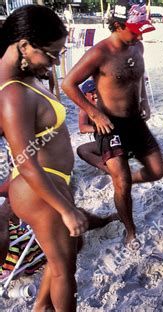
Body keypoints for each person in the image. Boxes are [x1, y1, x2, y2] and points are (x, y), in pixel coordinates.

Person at [0, 5, 88, 310]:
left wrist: (45, 75)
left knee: (66, 252)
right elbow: (24, 161)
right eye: (51, 55)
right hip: (38, 187)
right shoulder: (12, 93)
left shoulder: (25, 75)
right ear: (24, 45)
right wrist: (65, 209)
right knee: (66, 270)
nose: (55, 62)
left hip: (51, 181)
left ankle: (41, 307)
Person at [62, 0, 163, 246]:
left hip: (135, 121)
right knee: (123, 183)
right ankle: (130, 230)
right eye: (134, 29)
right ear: (118, 25)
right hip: (109, 124)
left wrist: (144, 101)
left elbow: (139, 74)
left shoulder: (137, 47)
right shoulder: (100, 52)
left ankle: (119, 174)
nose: (138, 34)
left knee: (157, 171)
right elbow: (68, 83)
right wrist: (93, 113)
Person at [76, 79, 110, 174]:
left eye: (97, 91)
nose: (95, 94)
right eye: (91, 92)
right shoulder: (84, 109)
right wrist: (98, 128)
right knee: (82, 150)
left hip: (117, 139)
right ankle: (108, 169)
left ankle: (113, 168)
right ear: (85, 96)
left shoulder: (107, 103)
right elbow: (82, 128)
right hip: (103, 141)